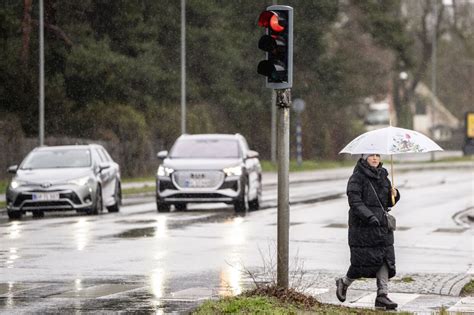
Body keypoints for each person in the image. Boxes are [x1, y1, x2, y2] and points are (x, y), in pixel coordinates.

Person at [336, 153, 400, 310]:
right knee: (361, 263)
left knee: (385, 259)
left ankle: (382, 296)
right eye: (371, 155)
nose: (375, 158)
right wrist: (369, 216)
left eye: (377, 155)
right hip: (363, 227)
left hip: (382, 226)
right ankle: (344, 282)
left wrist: (395, 195)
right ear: (365, 158)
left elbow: (386, 202)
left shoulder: (383, 176)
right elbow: (355, 201)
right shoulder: (357, 177)